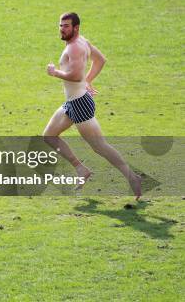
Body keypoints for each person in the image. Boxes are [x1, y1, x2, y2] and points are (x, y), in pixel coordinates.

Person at [43, 12, 142, 199]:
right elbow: (100, 60)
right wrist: (88, 81)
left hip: (80, 104)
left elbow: (75, 76)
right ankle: (81, 169)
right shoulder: (83, 42)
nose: (62, 29)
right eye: (60, 25)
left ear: (76, 28)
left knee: (100, 147)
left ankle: (133, 177)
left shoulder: (74, 48)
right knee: (49, 136)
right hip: (72, 102)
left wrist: (54, 72)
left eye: (66, 26)